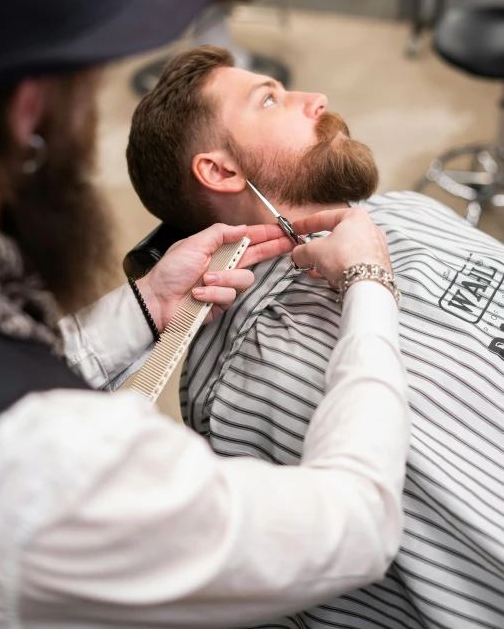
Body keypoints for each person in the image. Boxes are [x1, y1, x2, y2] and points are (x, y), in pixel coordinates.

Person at [0, 0, 410, 627]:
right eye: (90, 82)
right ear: (29, 112)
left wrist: (144, 305)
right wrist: (370, 289)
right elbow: (351, 526)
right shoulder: (50, 467)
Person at [127, 45, 504, 629]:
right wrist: (367, 279)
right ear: (223, 171)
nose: (318, 99)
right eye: (271, 99)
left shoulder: (405, 209)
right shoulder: (252, 372)